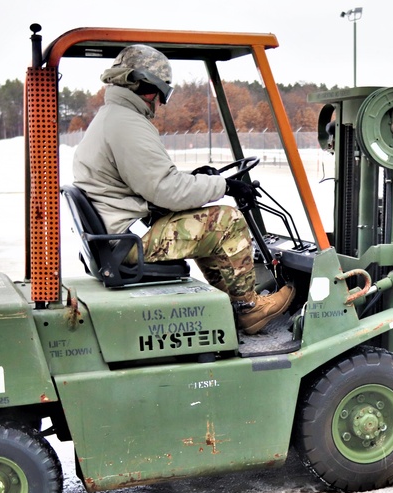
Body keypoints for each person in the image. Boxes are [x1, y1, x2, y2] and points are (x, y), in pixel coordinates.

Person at [72, 44, 294, 335]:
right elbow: (166, 190)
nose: (161, 102)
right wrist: (224, 185)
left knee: (203, 224)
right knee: (226, 221)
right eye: (161, 92)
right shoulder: (127, 124)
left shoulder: (112, 118)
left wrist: (198, 179)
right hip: (125, 246)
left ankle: (234, 303)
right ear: (142, 84)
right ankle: (249, 308)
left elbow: (153, 183)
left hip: (116, 239)